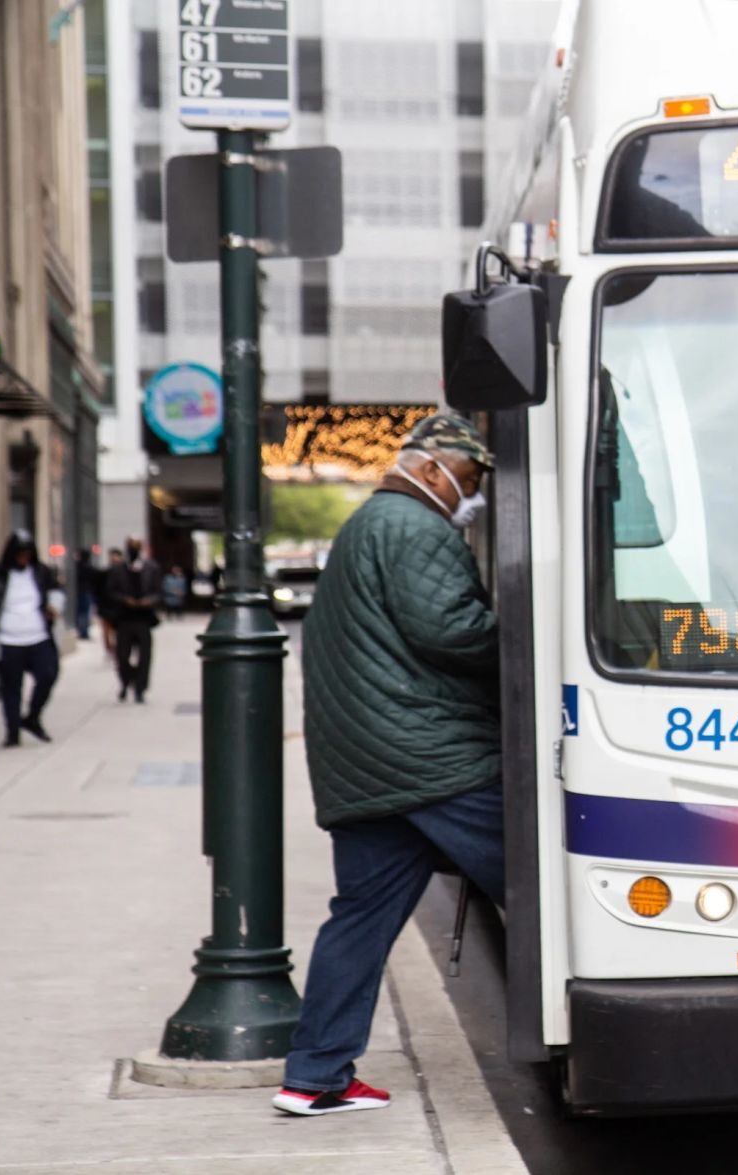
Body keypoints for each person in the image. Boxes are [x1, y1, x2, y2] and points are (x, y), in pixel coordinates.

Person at [274, 414, 503, 1118]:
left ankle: (313, 1075)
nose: (471, 497)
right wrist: (528, 636)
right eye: (466, 480)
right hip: (431, 756)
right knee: (556, 875)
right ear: (431, 469)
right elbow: (450, 628)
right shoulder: (412, 526)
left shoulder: (370, 525)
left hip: (370, 763)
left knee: (361, 918)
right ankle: (598, 1033)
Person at [0, 531, 61, 747]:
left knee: (48, 673)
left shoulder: (40, 572)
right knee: (11, 688)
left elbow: (56, 591)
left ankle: (32, 717)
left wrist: (54, 606)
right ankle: (12, 732)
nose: (24, 558)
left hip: (37, 636)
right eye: (20, 554)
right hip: (8, 640)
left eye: (28, 553)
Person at [106, 536, 162, 703]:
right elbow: (109, 591)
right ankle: (126, 681)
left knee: (144, 657)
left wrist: (149, 601)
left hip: (144, 619)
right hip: (124, 619)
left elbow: (159, 592)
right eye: (131, 546)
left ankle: (140, 689)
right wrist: (124, 600)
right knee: (122, 657)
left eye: (136, 546)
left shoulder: (152, 568)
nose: (134, 550)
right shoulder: (117, 569)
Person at [98, 548, 124, 655]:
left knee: (118, 631)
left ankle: (118, 648)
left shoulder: (125, 574)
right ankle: (110, 649)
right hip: (106, 606)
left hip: (119, 606)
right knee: (106, 630)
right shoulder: (105, 573)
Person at [74, 547, 96, 639]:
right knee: (85, 613)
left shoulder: (77, 566)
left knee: (81, 612)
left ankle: (82, 630)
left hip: (80, 591)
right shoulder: (88, 567)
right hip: (85, 592)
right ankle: (83, 632)